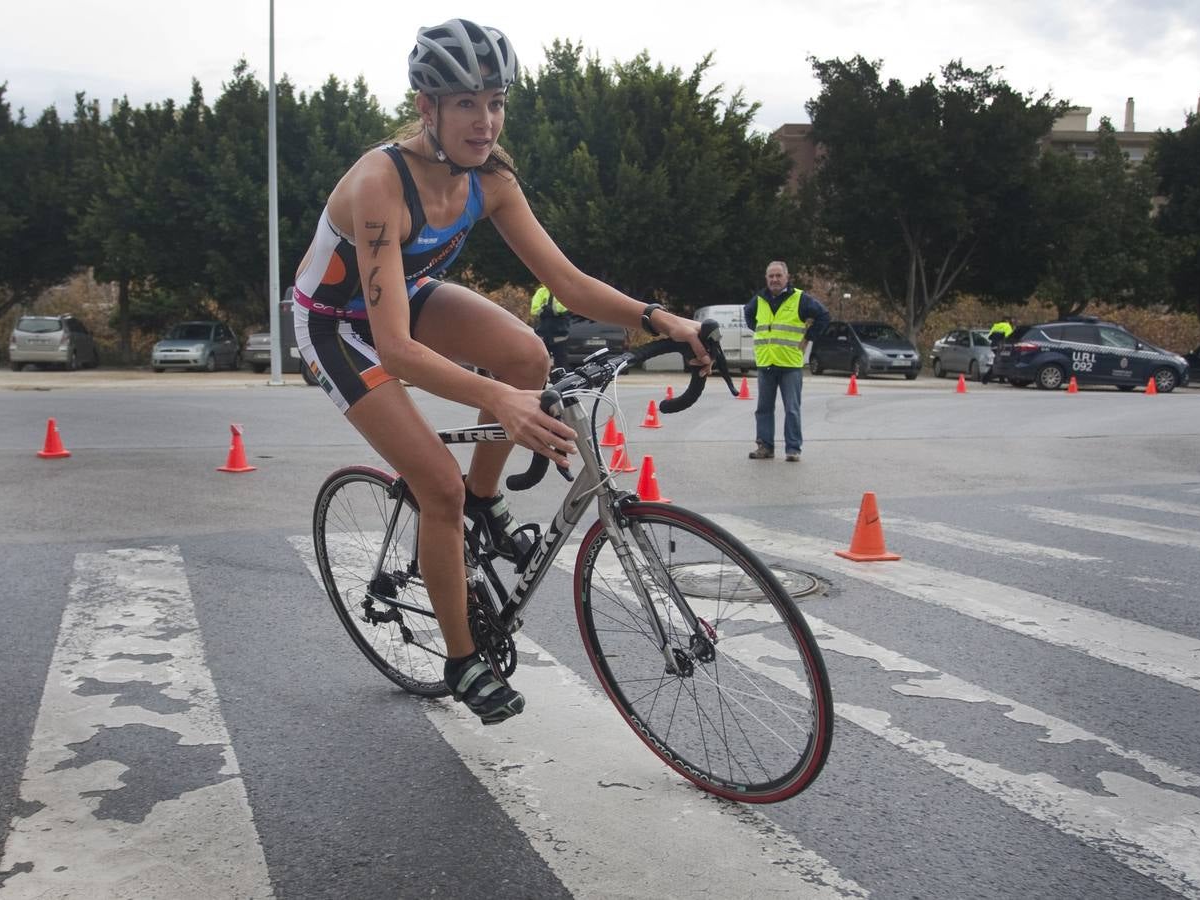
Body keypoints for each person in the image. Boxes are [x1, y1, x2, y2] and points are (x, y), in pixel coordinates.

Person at [290, 19, 710, 725]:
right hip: (337, 326)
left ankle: (485, 504)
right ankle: (460, 658)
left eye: (496, 101)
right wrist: (498, 402)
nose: (484, 122)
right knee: (437, 488)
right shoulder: (378, 185)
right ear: (426, 107)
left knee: (526, 356)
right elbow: (393, 350)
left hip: (404, 295)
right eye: (465, 104)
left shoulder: (491, 176)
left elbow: (567, 282)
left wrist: (657, 315)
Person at [744, 261, 829, 461]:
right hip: (766, 363)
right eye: (771, 276)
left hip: (790, 364)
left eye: (778, 276)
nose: (774, 279)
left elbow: (823, 316)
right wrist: (759, 331)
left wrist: (809, 337)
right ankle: (765, 447)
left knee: (792, 408)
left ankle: (793, 449)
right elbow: (748, 314)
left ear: (787, 277)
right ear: (766, 278)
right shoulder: (759, 299)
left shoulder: (799, 299)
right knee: (763, 409)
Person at [530, 283, 571, 367]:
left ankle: (561, 379)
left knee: (562, 363)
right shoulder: (541, 292)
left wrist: (546, 308)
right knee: (540, 362)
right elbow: (534, 309)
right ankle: (542, 380)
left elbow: (563, 308)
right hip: (543, 334)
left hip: (560, 336)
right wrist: (548, 310)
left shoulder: (563, 292)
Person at [982, 317, 1014, 384]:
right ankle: (985, 378)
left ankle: (1001, 379)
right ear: (1007, 321)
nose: (1012, 322)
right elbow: (1009, 337)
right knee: (998, 362)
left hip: (993, 346)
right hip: (1000, 346)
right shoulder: (1007, 326)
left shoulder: (996, 325)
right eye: (1011, 320)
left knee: (1000, 361)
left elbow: (989, 336)